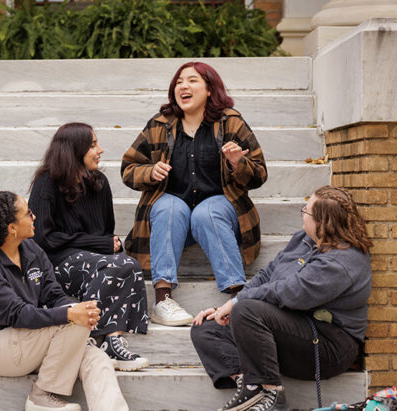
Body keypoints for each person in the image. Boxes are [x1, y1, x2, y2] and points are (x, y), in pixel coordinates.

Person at [190, 185, 373, 411]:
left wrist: (236, 303)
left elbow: (290, 293)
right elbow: (268, 274)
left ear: (322, 221)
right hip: (289, 328)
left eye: (306, 211)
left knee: (246, 311)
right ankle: (250, 387)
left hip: (328, 345)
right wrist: (224, 309)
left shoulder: (343, 262)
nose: (303, 214)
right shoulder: (303, 239)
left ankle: (272, 394)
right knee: (206, 326)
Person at [121, 61, 267, 326]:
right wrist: (150, 172)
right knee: (169, 207)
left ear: (210, 89)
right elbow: (129, 168)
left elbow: (259, 174)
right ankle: (163, 301)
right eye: (179, 82)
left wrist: (238, 163)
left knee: (206, 212)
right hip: (173, 219)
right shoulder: (160, 124)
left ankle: (239, 299)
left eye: (192, 80)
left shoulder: (231, 122)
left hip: (218, 214)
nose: (183, 86)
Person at [0, 190, 129, 411]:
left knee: (96, 358)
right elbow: (17, 314)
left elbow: (53, 294)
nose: (34, 217)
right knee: (74, 322)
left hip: (31, 344)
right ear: (11, 228)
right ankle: (41, 395)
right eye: (28, 213)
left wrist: (79, 309)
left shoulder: (32, 251)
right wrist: (71, 314)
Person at [28, 122, 149, 371]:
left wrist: (106, 244)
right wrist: (98, 243)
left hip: (95, 261)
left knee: (129, 265)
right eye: (93, 145)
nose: (100, 150)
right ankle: (100, 340)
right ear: (74, 149)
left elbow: (104, 231)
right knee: (116, 265)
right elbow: (42, 239)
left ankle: (111, 339)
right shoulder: (46, 184)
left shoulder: (99, 183)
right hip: (56, 261)